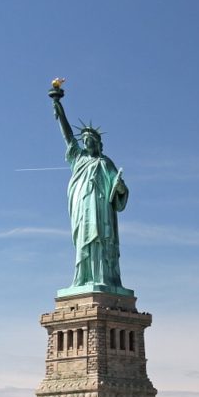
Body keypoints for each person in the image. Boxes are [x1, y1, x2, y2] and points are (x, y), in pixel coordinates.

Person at [51, 93, 128, 291]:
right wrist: (61, 112)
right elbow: (68, 138)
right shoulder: (78, 160)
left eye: (90, 142)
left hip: (101, 210)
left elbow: (120, 190)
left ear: (97, 144)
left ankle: (104, 278)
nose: (87, 144)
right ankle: (83, 278)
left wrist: (119, 187)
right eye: (84, 141)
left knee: (100, 240)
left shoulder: (105, 163)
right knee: (83, 241)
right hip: (82, 208)